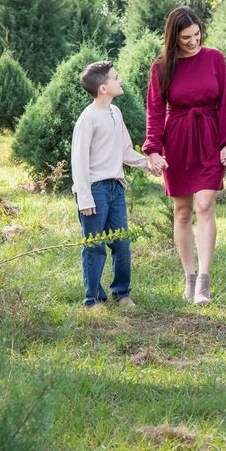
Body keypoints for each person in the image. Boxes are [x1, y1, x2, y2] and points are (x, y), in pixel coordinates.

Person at [143, 7, 226, 304]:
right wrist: (152, 149)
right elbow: (155, 110)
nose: (193, 41)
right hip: (178, 140)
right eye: (186, 37)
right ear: (174, 36)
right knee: (183, 211)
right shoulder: (161, 67)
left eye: (197, 34)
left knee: (205, 205)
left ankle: (204, 280)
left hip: (210, 137)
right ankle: (189, 275)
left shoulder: (214, 58)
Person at [71, 60, 159, 308]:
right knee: (94, 245)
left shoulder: (115, 113)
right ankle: (93, 298)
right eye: (115, 77)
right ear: (103, 88)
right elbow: (78, 160)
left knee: (121, 242)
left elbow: (124, 151)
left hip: (115, 188)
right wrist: (85, 197)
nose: (119, 80)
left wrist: (148, 164)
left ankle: (122, 293)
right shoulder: (88, 118)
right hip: (94, 190)